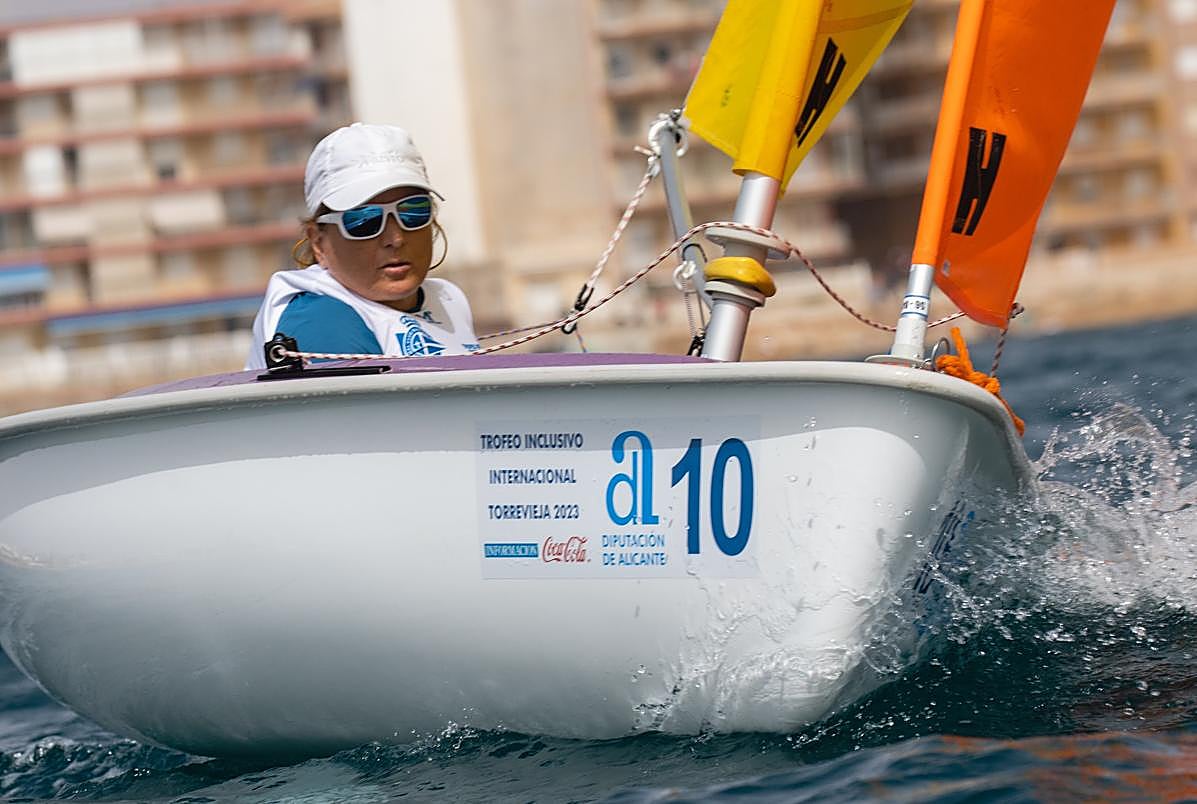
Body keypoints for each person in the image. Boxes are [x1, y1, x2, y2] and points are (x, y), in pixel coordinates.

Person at [245, 123, 480, 369]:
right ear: (318, 242)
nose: (396, 238)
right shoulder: (322, 320)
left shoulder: (448, 299)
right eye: (364, 221)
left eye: (413, 211)